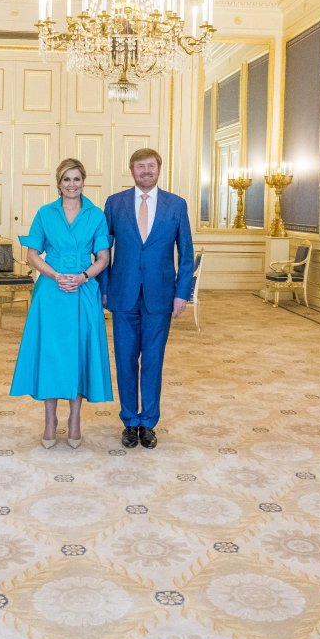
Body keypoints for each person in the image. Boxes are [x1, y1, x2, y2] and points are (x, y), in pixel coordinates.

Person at [10, 158, 112, 447]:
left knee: (79, 354)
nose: (71, 184)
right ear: (58, 183)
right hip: (51, 292)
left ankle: (75, 419)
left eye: (76, 179)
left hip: (83, 290)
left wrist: (81, 276)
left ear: (83, 182)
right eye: (66, 179)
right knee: (51, 356)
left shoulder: (96, 215)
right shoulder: (45, 213)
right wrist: (56, 276)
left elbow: (104, 258)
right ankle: (50, 419)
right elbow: (32, 255)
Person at [100, 148, 194, 449]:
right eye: (140, 167)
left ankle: (148, 422)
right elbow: (102, 250)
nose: (146, 172)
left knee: (153, 360)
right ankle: (129, 421)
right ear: (131, 171)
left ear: (159, 169)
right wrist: (104, 287)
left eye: (150, 166)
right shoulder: (114, 204)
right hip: (122, 293)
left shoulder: (176, 205)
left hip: (161, 297)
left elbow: (187, 254)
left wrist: (182, 294)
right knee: (126, 360)